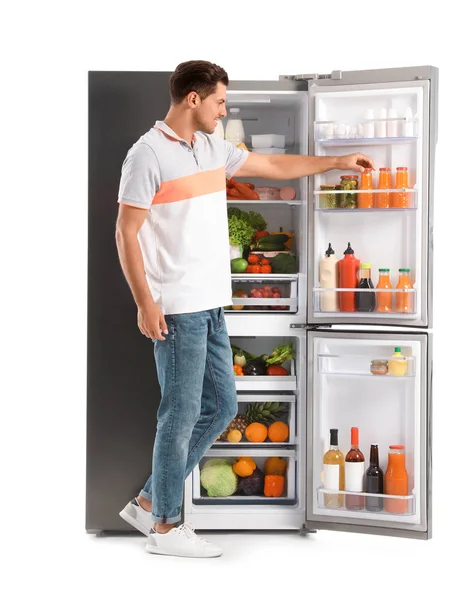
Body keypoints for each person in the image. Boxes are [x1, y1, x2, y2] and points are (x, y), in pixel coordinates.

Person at [115, 60, 374, 558]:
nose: (224, 109)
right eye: (220, 102)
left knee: (222, 408)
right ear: (193, 99)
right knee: (180, 413)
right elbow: (126, 233)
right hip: (178, 305)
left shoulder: (212, 148)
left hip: (212, 303)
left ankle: (151, 500)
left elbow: (274, 167)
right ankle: (165, 528)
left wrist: (336, 162)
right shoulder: (146, 155)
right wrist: (146, 303)